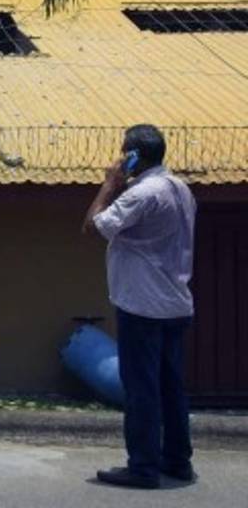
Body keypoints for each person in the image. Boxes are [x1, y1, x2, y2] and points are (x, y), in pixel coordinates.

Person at [83, 124, 196, 490]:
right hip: (175, 303)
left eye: (123, 153)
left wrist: (110, 184)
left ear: (132, 155)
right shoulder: (180, 188)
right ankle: (177, 460)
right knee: (171, 387)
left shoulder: (141, 194)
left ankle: (143, 466)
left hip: (142, 305)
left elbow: (94, 226)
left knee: (141, 388)